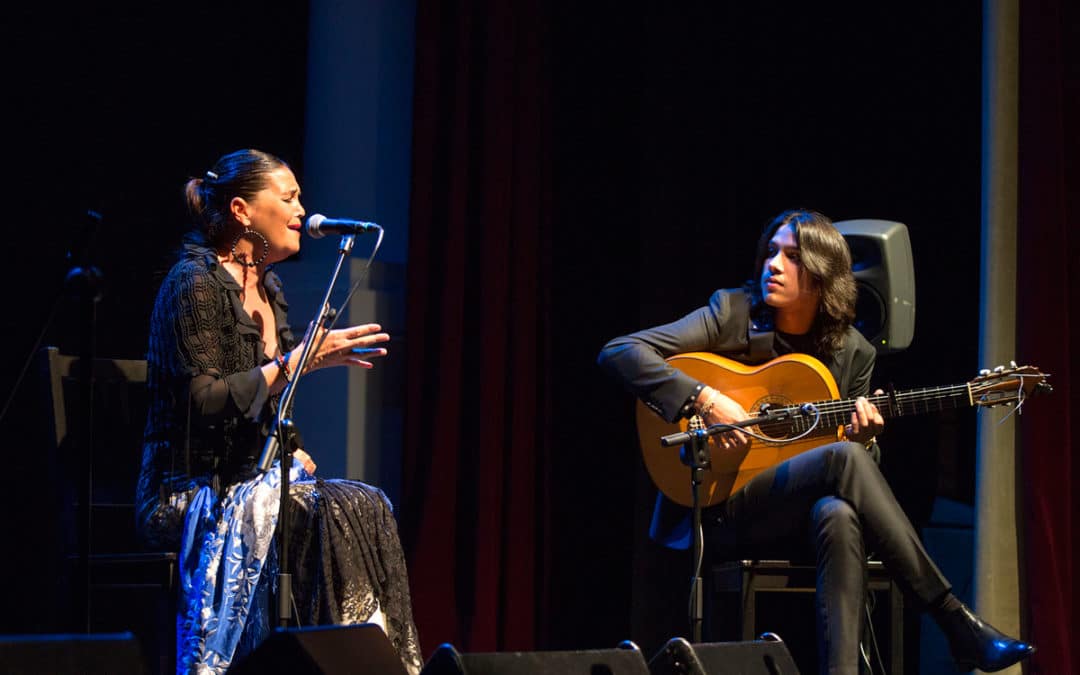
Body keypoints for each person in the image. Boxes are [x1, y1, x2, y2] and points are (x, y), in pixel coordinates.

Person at [597, 209, 1034, 674]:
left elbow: (852, 461)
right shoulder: (733, 313)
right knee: (843, 465)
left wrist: (865, 441)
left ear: (823, 273)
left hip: (794, 511)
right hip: (722, 503)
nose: (773, 265)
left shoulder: (853, 352)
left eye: (791, 256)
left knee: (839, 512)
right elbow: (620, 351)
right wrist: (704, 399)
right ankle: (954, 620)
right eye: (770, 252)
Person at [135, 148, 423, 674]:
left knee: (363, 504)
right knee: (324, 515)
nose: (301, 209)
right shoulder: (193, 283)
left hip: (251, 482)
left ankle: (367, 664)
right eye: (288, 196)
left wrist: (295, 449)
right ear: (243, 210)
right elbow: (204, 404)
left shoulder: (270, 288)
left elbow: (270, 403)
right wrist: (296, 361)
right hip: (186, 489)